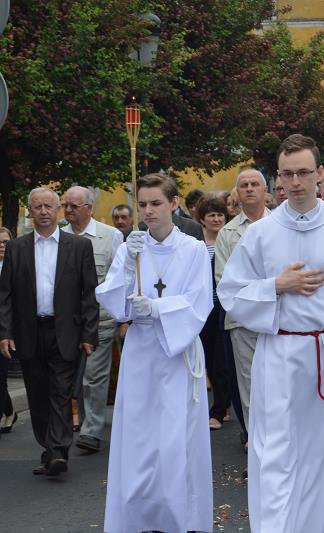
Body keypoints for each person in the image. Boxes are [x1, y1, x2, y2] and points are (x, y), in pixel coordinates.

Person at [218, 134, 324, 532]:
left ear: (318, 174)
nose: (295, 182)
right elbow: (230, 292)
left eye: (304, 173)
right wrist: (276, 285)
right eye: (287, 174)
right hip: (280, 355)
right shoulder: (261, 233)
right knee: (276, 454)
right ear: (278, 178)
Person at [97, 173, 213, 532]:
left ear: (174, 203)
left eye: (155, 203)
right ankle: (137, 515)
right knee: (139, 435)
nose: (147, 211)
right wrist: (127, 276)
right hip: (141, 351)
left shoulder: (192, 249)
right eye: (142, 204)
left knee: (175, 436)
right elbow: (114, 301)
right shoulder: (131, 248)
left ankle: (179, 516)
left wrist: (158, 308)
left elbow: (200, 301)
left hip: (177, 353)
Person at [0, 188, 99, 476]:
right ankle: (49, 447)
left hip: (65, 331)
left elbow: (89, 293)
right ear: (30, 212)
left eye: (48, 206)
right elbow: (5, 296)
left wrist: (88, 334)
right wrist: (5, 332)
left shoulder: (78, 247)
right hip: (29, 332)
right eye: (37, 206)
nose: (43, 211)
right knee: (38, 394)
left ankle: (58, 451)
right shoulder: (17, 248)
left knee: (60, 391)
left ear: (58, 210)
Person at [62, 186, 123, 453]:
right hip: (65, 321)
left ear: (89, 208)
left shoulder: (110, 236)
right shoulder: (58, 236)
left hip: (100, 318)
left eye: (74, 206)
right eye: (65, 205)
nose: (68, 211)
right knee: (71, 377)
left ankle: (92, 430)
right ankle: (84, 425)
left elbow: (120, 278)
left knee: (93, 376)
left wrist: (123, 318)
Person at [215, 168, 271, 451]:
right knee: (249, 385)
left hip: (278, 318)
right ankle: (255, 439)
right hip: (242, 321)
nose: (249, 189)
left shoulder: (281, 224)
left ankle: (281, 438)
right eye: (244, 185)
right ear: (237, 192)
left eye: (255, 184)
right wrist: (263, 290)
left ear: (265, 190)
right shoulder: (227, 232)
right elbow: (224, 279)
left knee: (278, 381)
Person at [197, 195, 231, 430]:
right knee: (207, 359)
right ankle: (221, 403)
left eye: (220, 214)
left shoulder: (228, 241)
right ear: (202, 219)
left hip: (224, 307)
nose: (216, 219)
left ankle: (219, 409)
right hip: (202, 309)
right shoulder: (197, 245)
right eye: (211, 215)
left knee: (221, 361)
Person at [0, 227, 16, 435]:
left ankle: (8, 413)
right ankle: (10, 410)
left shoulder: (16, 265)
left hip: (7, 330)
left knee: (1, 376)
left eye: (5, 242)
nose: (2, 246)